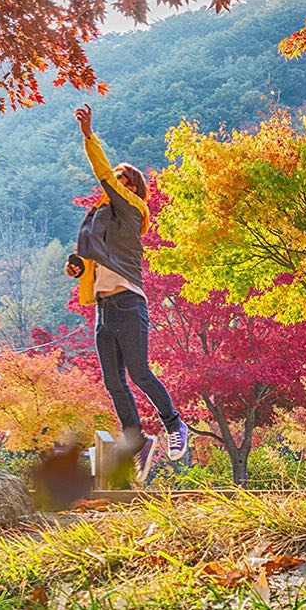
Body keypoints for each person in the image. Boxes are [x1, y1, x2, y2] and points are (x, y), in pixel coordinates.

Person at [66, 103, 188, 481]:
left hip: (129, 302)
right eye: (115, 180)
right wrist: (75, 267)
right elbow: (89, 259)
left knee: (139, 372)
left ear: (132, 188)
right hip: (104, 306)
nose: (114, 183)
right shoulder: (99, 219)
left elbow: (104, 174)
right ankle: (135, 442)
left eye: (122, 179)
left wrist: (89, 136)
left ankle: (174, 425)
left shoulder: (133, 208)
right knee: (113, 382)